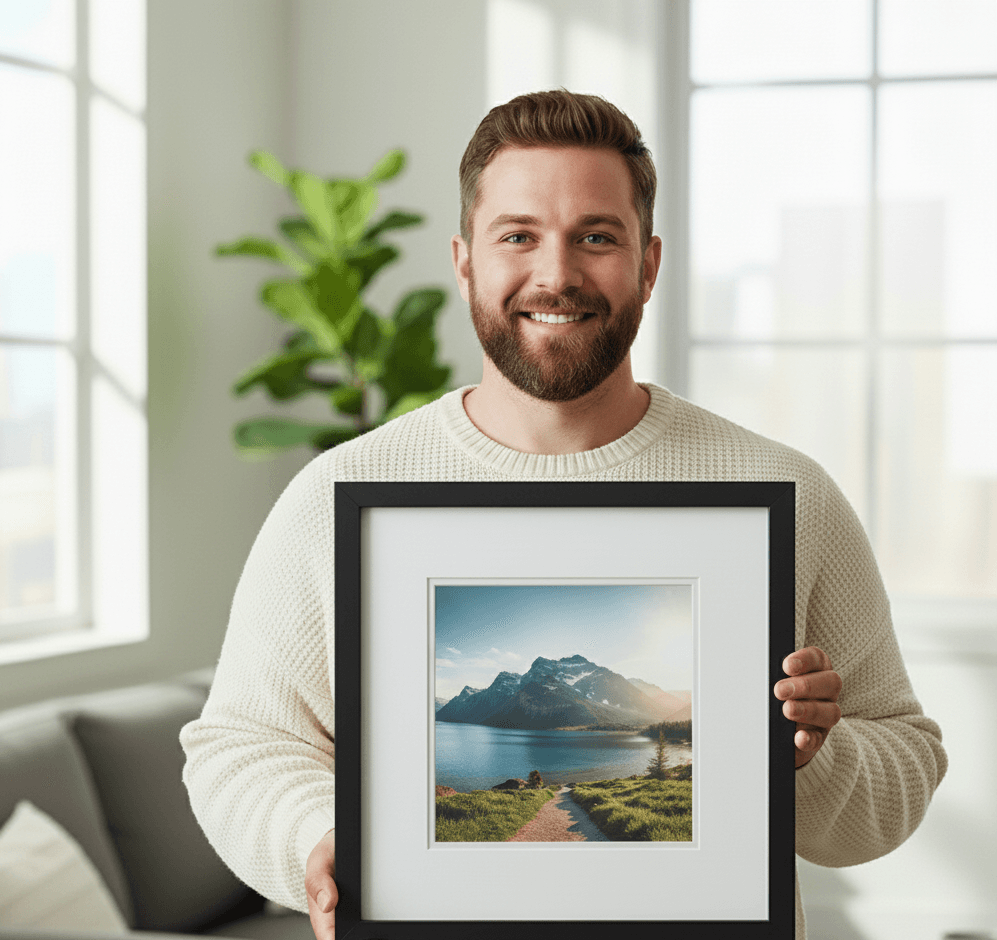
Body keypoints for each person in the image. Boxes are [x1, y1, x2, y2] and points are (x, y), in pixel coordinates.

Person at [180, 89, 947, 940]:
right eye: (518, 236)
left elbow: (903, 771)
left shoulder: (788, 493)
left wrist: (808, 756)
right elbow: (240, 749)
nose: (557, 274)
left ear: (648, 263)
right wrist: (319, 836)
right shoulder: (335, 498)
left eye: (596, 236)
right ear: (465, 259)